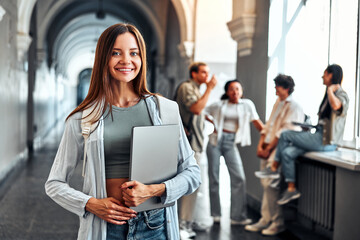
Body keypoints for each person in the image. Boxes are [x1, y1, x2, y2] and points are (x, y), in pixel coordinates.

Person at [45, 23, 201, 240]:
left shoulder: (165, 110)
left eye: (134, 53)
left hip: (155, 225)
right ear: (103, 59)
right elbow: (54, 184)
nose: (126, 60)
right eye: (115, 53)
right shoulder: (82, 118)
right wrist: (91, 204)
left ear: (142, 58)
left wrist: (154, 190)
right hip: (106, 226)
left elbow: (193, 173)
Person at [256, 64, 349, 205]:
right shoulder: (326, 94)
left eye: (324, 74)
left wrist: (330, 89)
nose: (322, 77)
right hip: (318, 135)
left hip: (327, 142)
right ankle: (292, 188)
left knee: (286, 134)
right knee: (287, 153)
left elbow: (336, 106)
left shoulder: (340, 94)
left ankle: (274, 168)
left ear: (331, 75)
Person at [245, 74, 304, 236]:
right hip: (267, 148)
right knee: (266, 185)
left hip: (276, 151)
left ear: (285, 88)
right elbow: (268, 126)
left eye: (277, 86)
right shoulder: (277, 103)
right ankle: (265, 219)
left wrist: (269, 149)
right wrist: (260, 146)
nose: (275, 89)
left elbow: (284, 133)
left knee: (271, 186)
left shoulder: (294, 107)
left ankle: (277, 222)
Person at [205, 80, 264, 226]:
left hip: (231, 142)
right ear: (227, 92)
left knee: (239, 178)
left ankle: (237, 217)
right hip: (214, 141)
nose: (235, 92)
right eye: (231, 89)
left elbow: (257, 123)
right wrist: (212, 124)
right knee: (214, 178)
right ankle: (216, 214)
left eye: (237, 89)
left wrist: (269, 138)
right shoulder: (219, 105)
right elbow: (203, 110)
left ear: (241, 91)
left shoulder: (247, 105)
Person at [175, 62, 217, 238]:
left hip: (196, 144)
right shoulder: (187, 87)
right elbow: (196, 108)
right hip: (189, 145)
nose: (207, 76)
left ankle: (185, 222)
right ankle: (183, 225)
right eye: (203, 72)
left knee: (191, 185)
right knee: (188, 185)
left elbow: (197, 111)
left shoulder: (196, 89)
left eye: (208, 72)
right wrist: (209, 89)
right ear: (193, 73)